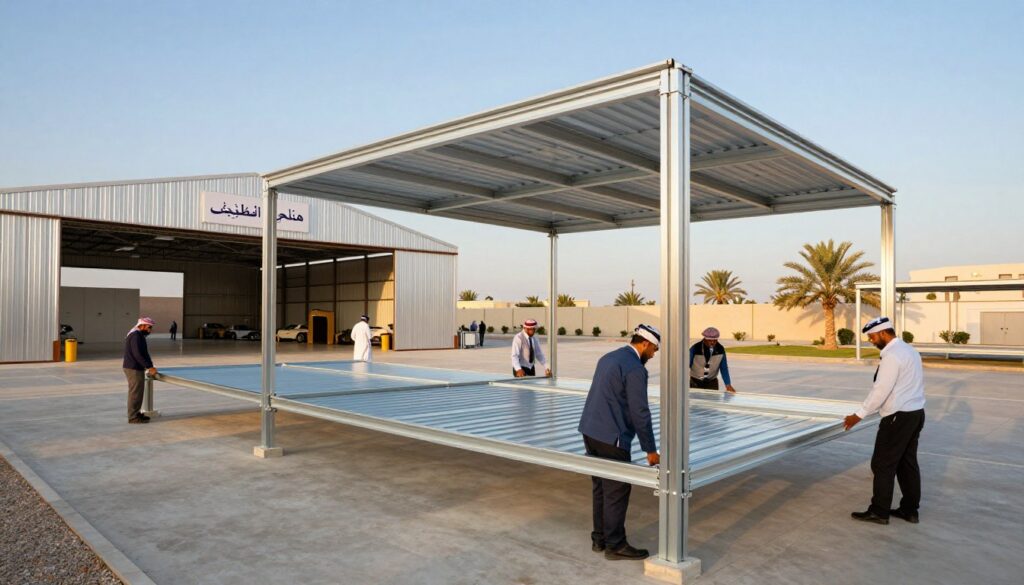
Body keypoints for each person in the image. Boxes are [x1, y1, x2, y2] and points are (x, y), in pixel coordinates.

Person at [578, 324, 661, 560]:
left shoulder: (609, 357)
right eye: (654, 349)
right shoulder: (635, 368)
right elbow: (640, 412)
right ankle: (615, 545)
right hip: (610, 437)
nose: (653, 355)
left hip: (590, 430)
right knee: (617, 489)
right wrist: (650, 450)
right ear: (645, 344)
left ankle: (599, 539)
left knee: (600, 487)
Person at [844, 316, 926, 525]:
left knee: (882, 464)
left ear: (883, 333)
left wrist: (858, 415)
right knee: (907, 464)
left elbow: (881, 390)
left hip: (897, 417)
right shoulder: (909, 350)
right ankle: (910, 510)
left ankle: (879, 512)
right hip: (915, 413)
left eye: (872, 336)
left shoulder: (892, 356)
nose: (871, 340)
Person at [123, 317, 157, 424]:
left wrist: (150, 365)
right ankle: (133, 417)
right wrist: (148, 367)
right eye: (149, 327)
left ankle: (136, 413)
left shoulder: (139, 335)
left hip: (137, 367)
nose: (150, 330)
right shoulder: (135, 336)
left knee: (138, 392)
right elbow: (137, 354)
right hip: (133, 368)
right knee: (135, 393)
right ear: (141, 326)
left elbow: (145, 353)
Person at [688, 327, 737, 393]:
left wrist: (728, 384)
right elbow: (686, 365)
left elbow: (724, 368)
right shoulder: (695, 348)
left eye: (715, 340)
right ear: (704, 339)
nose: (712, 342)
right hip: (695, 382)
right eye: (710, 340)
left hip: (712, 383)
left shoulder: (720, 349)